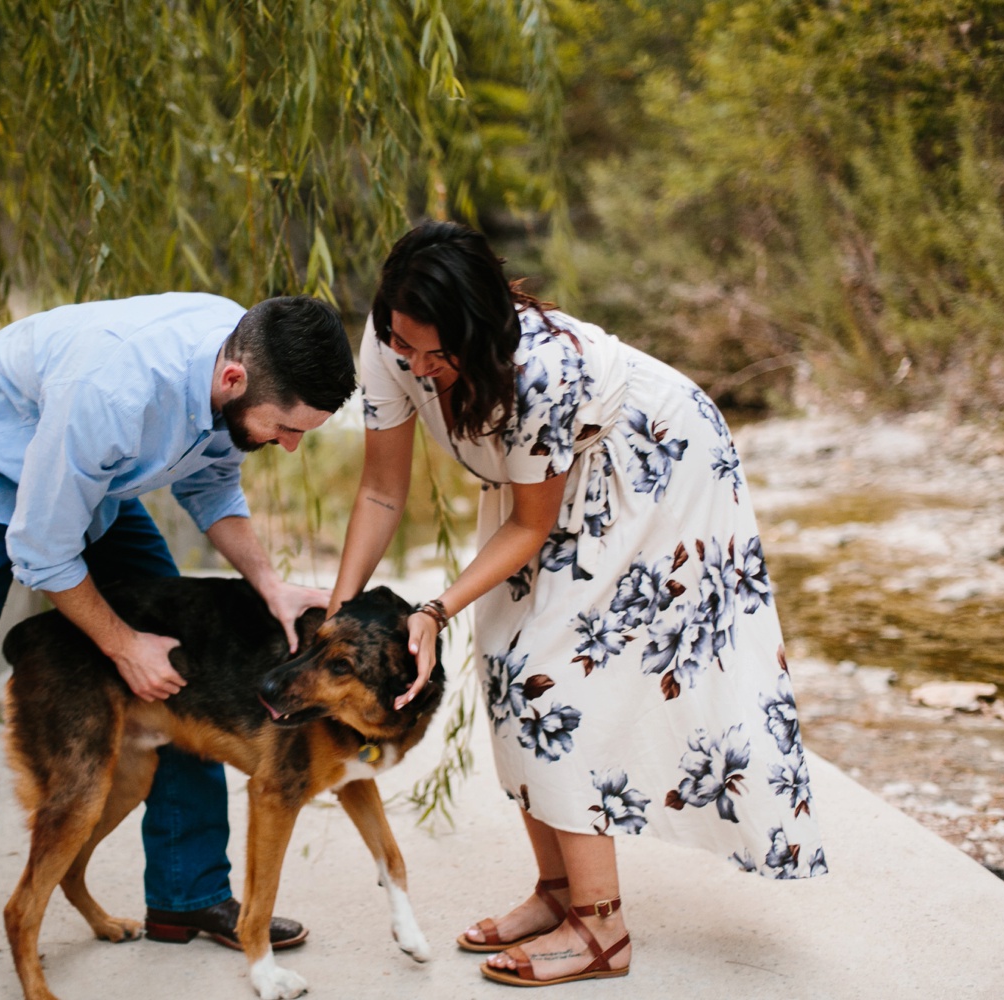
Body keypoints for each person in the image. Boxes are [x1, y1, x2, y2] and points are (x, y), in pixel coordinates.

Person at [328, 222, 827, 987]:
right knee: (505, 658)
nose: (420, 370)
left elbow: (532, 525)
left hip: (650, 465)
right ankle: (558, 891)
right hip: (552, 481)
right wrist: (337, 614)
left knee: (549, 672)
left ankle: (601, 930)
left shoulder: (539, 372)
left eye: (438, 354)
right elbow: (379, 489)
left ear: (483, 332)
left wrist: (433, 608)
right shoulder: (392, 342)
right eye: (405, 348)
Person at [0, 292, 356, 1000]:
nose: (290, 446)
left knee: (187, 655)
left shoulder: (239, 352)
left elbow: (212, 478)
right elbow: (42, 553)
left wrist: (268, 582)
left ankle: (186, 894)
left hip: (83, 480)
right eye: (286, 429)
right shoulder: (114, 389)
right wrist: (122, 644)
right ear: (233, 382)